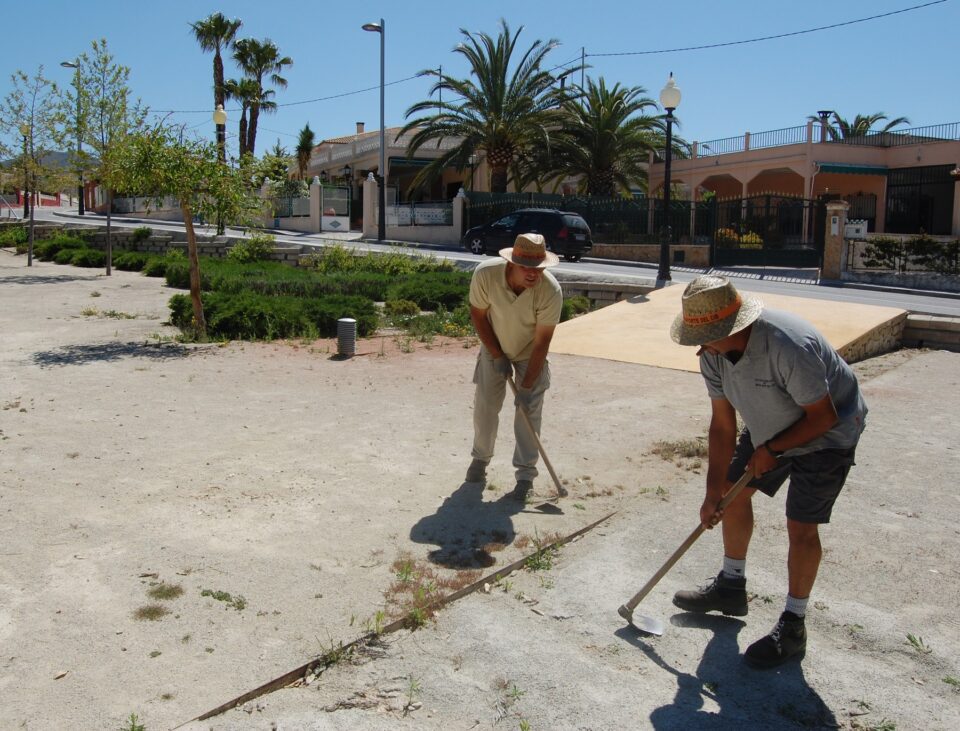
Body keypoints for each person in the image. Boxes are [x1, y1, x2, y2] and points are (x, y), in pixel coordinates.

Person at [669, 275, 867, 669]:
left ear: (731, 328)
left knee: (800, 525)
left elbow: (823, 416)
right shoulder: (712, 355)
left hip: (828, 435)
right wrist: (712, 496)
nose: (698, 346)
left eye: (704, 336)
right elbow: (723, 425)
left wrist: (774, 450)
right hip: (769, 429)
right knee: (732, 494)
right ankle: (730, 585)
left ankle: (793, 623)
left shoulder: (788, 346)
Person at [464, 232, 563, 501]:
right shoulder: (486, 275)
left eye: (539, 268)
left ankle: (525, 476)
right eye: (526, 268)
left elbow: (542, 342)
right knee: (486, 405)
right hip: (494, 344)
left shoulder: (550, 291)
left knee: (528, 412)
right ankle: (480, 460)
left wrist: (527, 386)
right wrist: (496, 354)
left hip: (530, 352)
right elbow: (478, 314)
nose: (534, 274)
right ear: (511, 263)